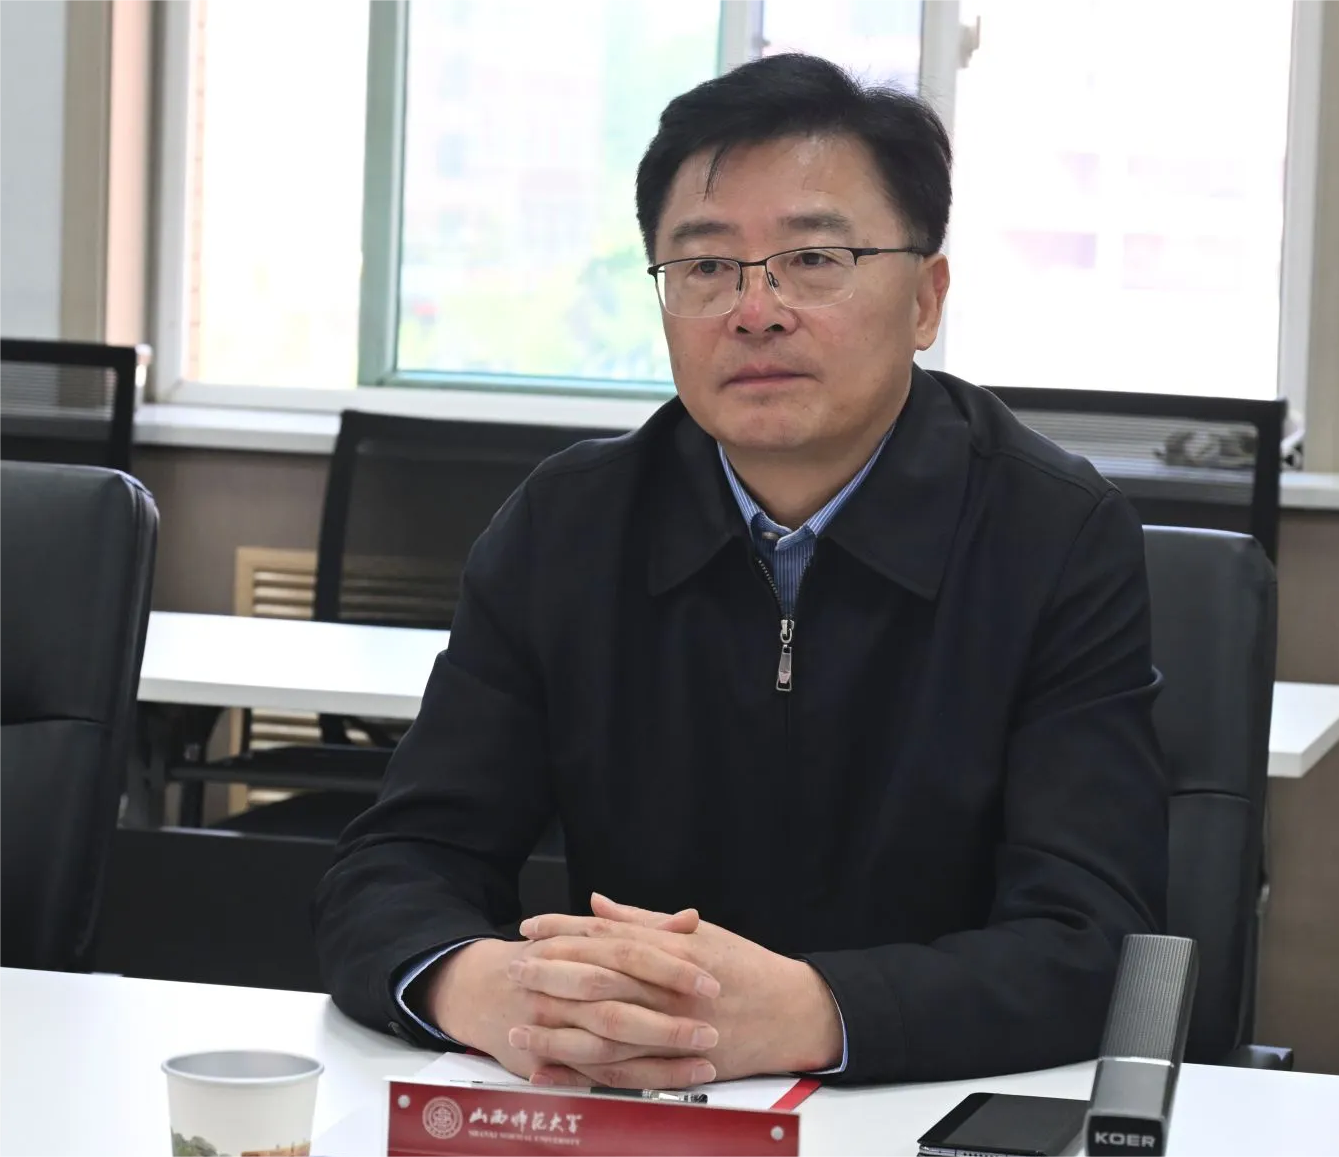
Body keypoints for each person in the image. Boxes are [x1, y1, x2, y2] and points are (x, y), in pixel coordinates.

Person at [314, 52, 1167, 1089]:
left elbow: (1093, 942)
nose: (754, 310)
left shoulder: (1054, 535)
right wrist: (488, 986)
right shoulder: (568, 525)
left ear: (924, 298)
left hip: (928, 1105)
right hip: (629, 1107)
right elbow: (396, 862)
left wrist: (809, 1011)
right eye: (706, 267)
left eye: (813, 259)